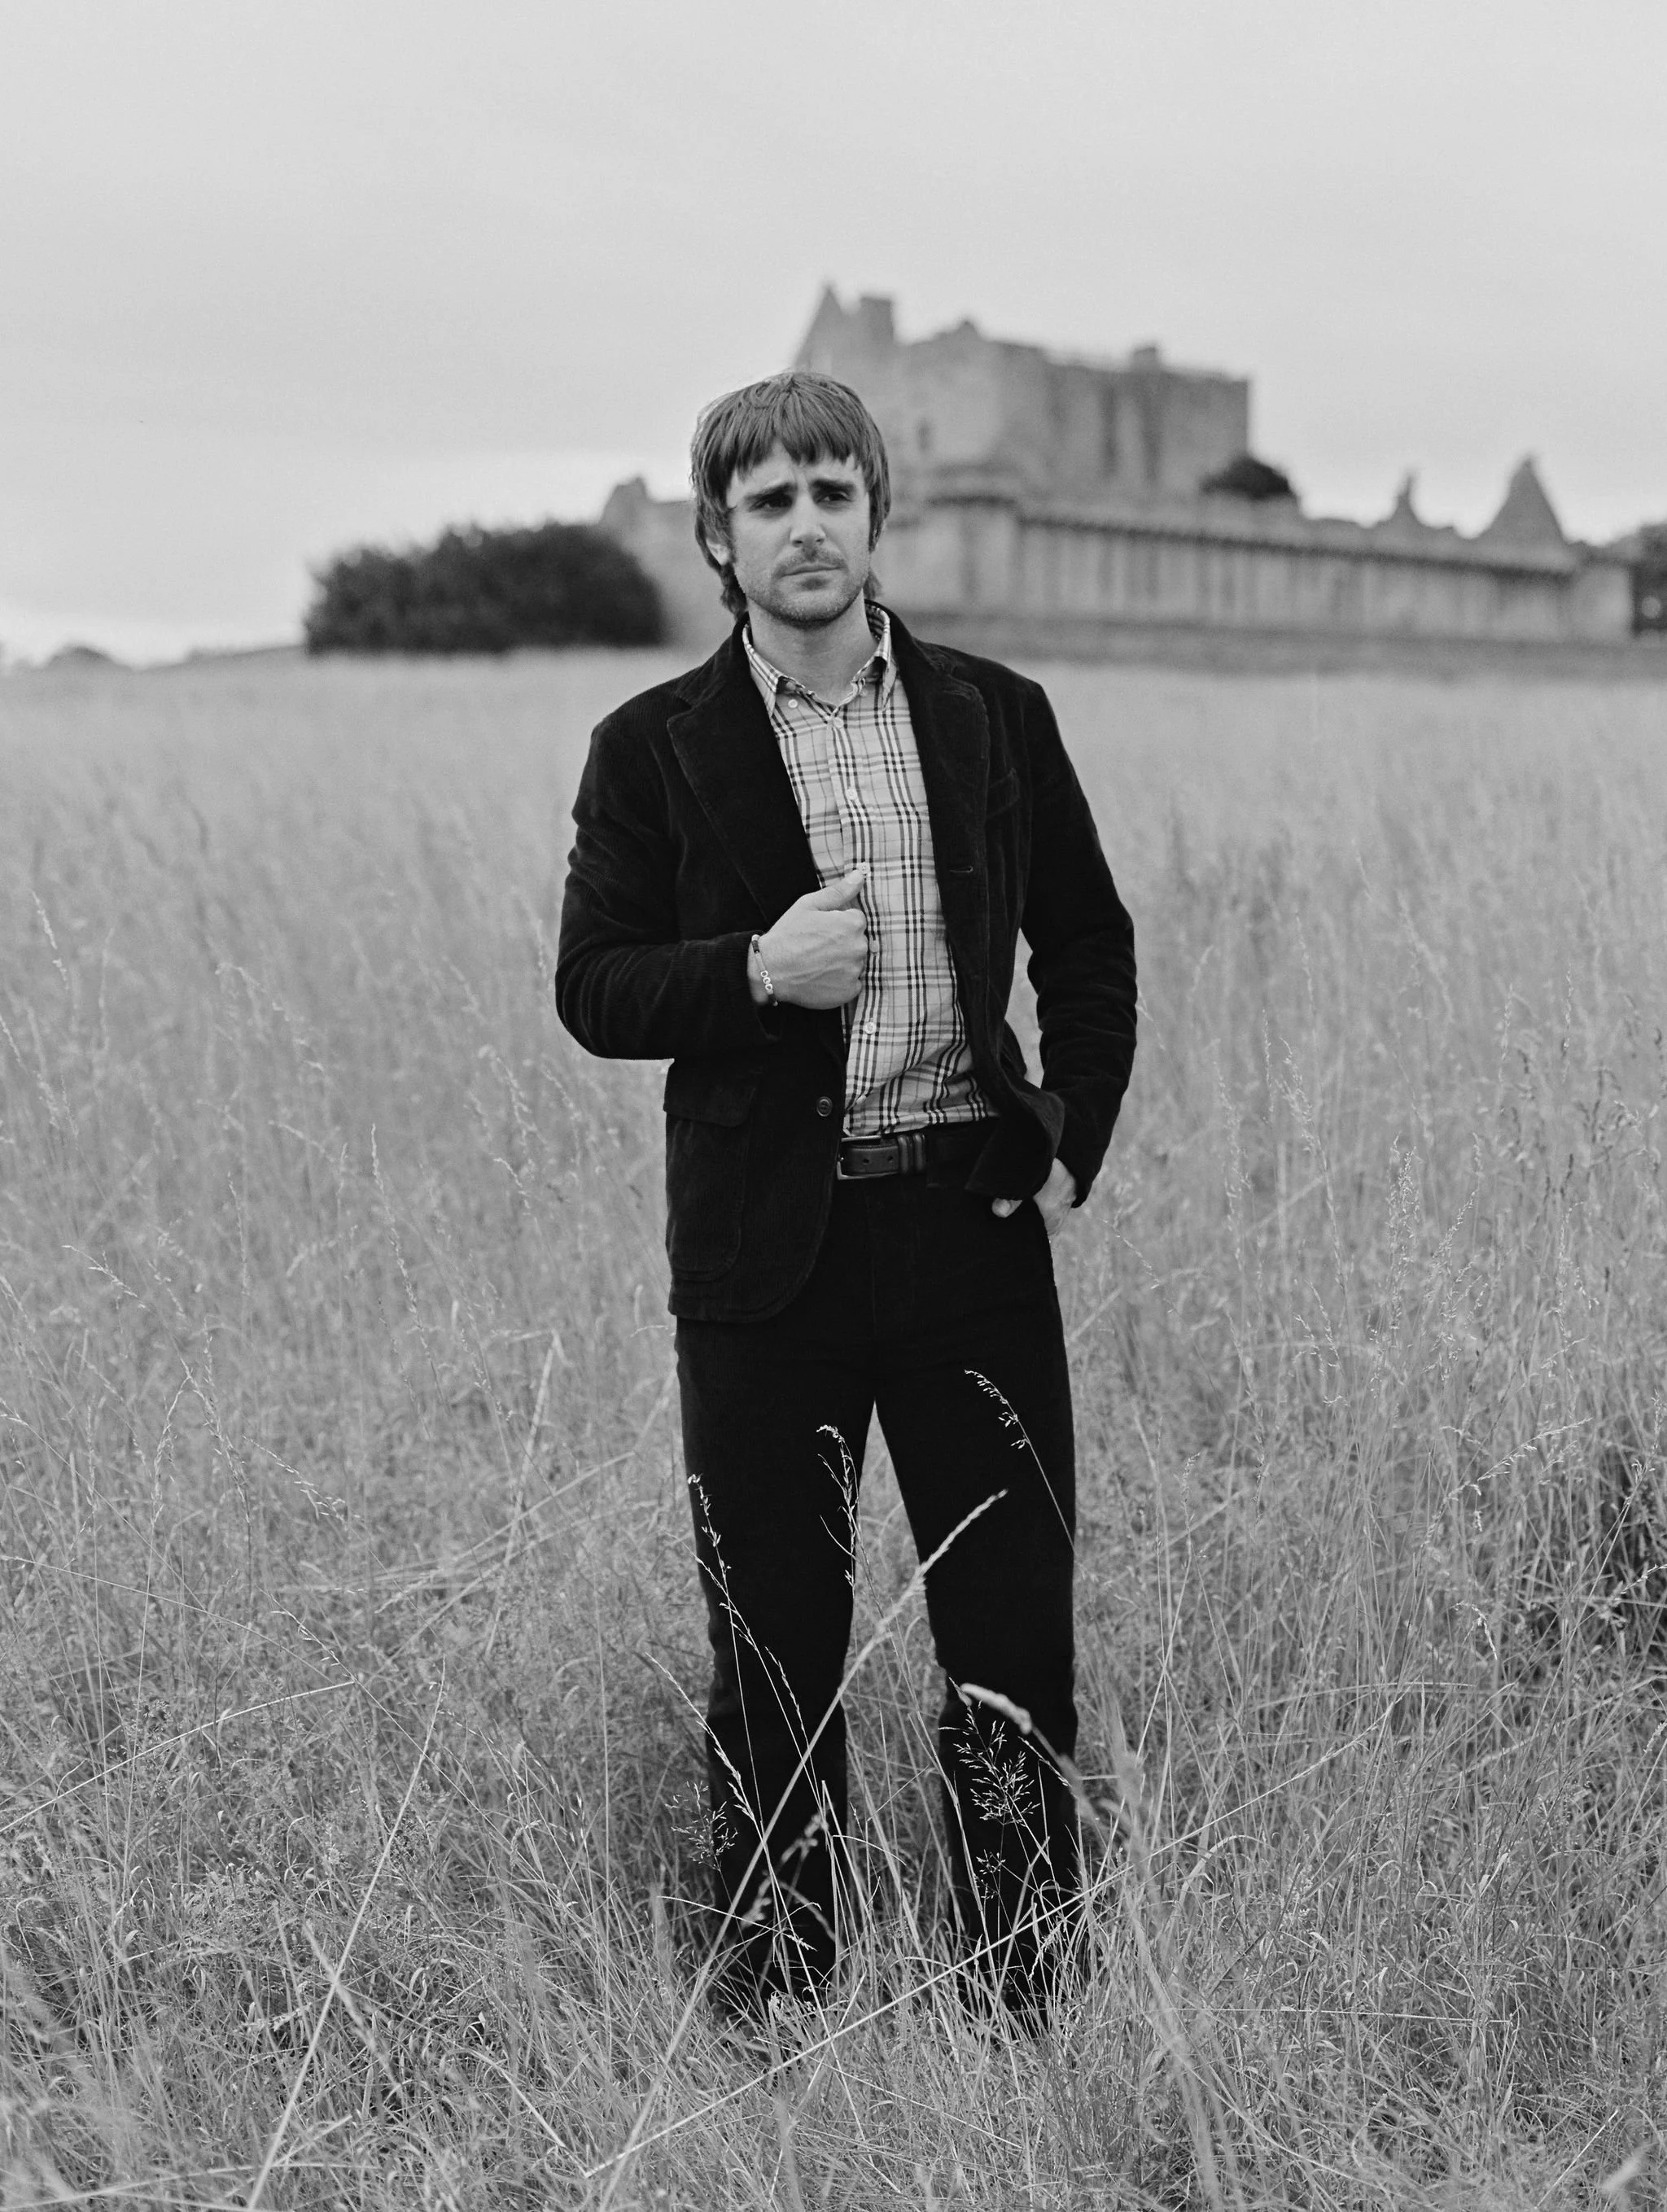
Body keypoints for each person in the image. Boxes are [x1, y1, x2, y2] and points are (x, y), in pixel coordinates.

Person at [555, 369, 1136, 2024]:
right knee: (772, 1641)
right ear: (718, 537)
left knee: (1010, 1636)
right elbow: (594, 985)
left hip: (968, 1232)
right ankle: (777, 1993)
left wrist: (1065, 1135)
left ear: (880, 515)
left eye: (832, 492)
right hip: (768, 1263)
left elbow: (1087, 942)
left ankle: (1022, 1990)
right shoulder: (651, 747)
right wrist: (754, 970)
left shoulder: (994, 715)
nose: (805, 524)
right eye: (770, 501)